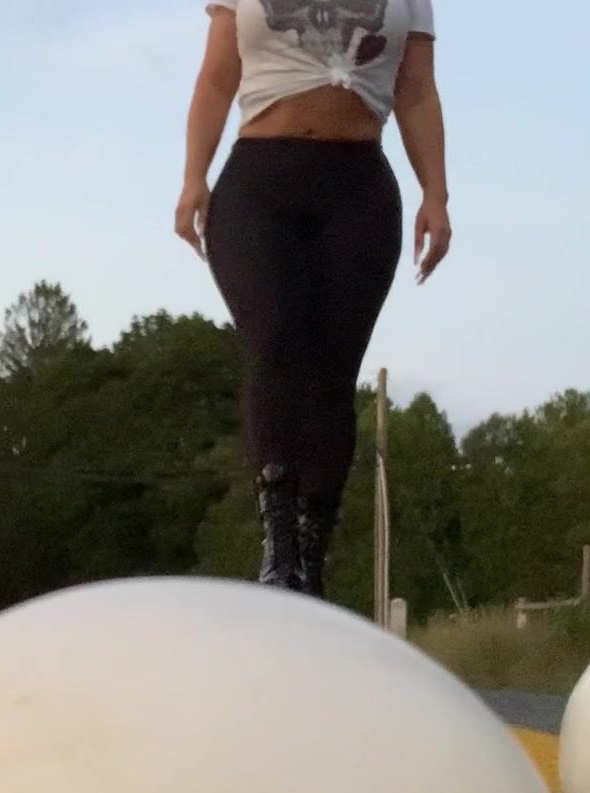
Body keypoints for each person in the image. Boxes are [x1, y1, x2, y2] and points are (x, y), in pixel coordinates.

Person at [177, 0, 450, 599]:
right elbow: (218, 76)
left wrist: (436, 193)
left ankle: (311, 552)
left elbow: (416, 91)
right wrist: (194, 176)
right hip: (258, 185)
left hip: (358, 190)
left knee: (332, 372)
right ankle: (278, 543)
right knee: (274, 341)